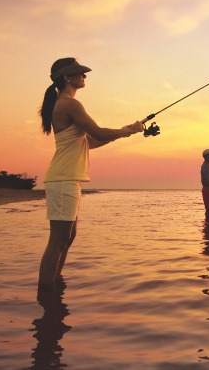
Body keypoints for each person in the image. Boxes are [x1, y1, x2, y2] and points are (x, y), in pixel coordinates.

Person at [37, 57, 143, 297]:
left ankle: (55, 284)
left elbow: (91, 141)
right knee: (58, 240)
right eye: (80, 73)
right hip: (63, 179)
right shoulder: (69, 104)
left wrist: (123, 132)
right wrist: (130, 130)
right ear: (67, 77)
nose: (84, 76)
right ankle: (45, 293)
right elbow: (97, 131)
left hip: (68, 179)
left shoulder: (65, 104)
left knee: (68, 236)